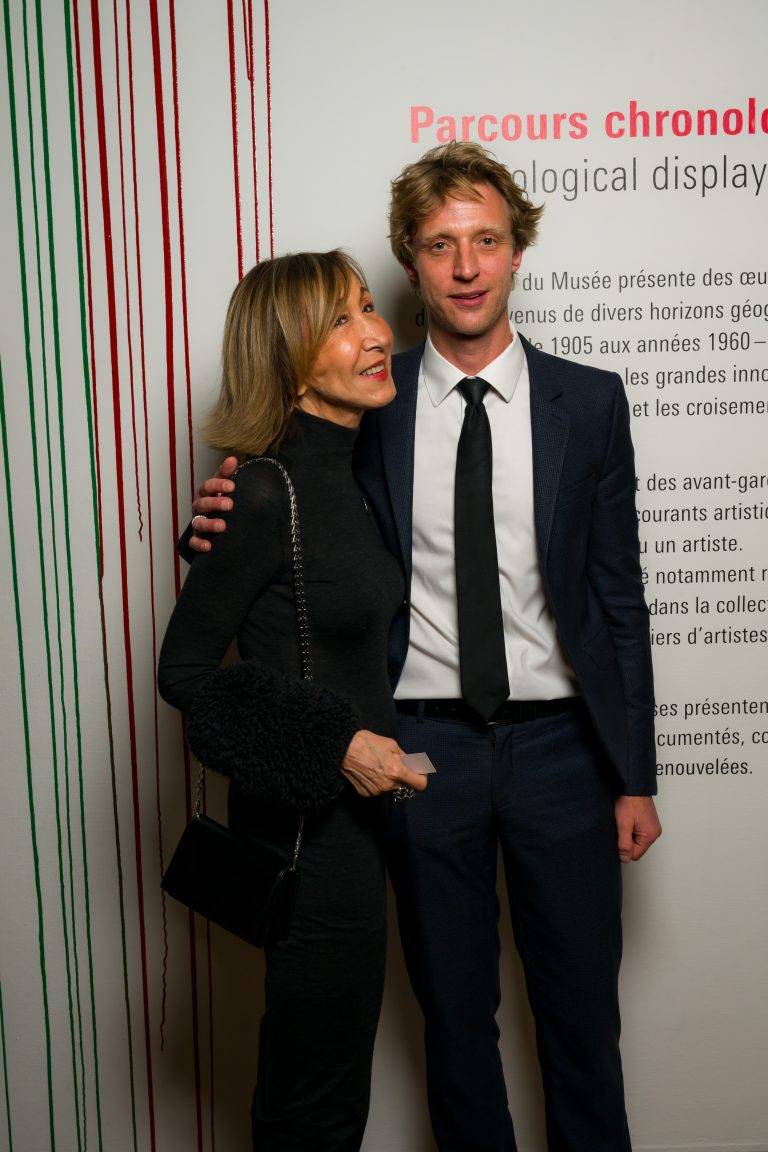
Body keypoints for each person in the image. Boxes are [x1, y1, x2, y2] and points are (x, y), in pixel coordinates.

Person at [185, 142, 662, 1152]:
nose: (467, 266)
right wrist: (213, 516)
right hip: (416, 750)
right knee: (455, 1023)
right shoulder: (371, 400)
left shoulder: (592, 401)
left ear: (516, 249)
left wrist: (635, 775)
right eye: (441, 245)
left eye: (487, 239)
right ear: (411, 259)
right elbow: (287, 483)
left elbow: (619, 600)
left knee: (584, 1025)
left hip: (566, 755)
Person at [157, 250, 427, 1152]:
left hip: (359, 833)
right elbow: (184, 674)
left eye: (367, 310)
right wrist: (336, 744)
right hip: (311, 839)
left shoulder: (348, 475)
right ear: (289, 356)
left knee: (330, 1085)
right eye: (344, 322)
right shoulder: (266, 489)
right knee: (311, 1101)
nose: (377, 332)